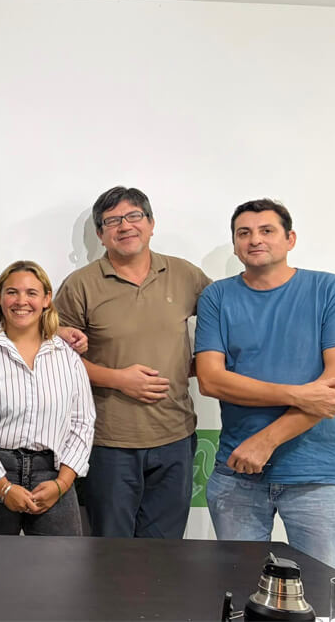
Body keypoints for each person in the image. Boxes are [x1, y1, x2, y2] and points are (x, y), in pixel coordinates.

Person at [194, 199, 335, 569]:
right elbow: (211, 381)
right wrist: (297, 394)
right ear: (234, 245)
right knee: (241, 592)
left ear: (290, 239)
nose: (254, 239)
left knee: (323, 596)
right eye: (243, 233)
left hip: (317, 476)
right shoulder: (217, 296)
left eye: (266, 230)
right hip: (237, 474)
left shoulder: (331, 291)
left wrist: (266, 440)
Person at [54, 186, 211, 538]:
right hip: (108, 441)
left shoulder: (186, 275)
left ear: (151, 223)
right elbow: (56, 362)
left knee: (164, 553)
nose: (124, 226)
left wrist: (200, 365)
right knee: (110, 553)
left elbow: (228, 325)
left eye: (133, 216)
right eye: (112, 221)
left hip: (175, 436)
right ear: (100, 234)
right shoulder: (80, 285)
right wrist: (118, 379)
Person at [0, 261, 95, 535]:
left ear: (46, 299)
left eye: (31, 293)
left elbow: (83, 422)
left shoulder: (66, 355)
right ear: (0, 297)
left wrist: (61, 484)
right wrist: (2, 486)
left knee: (60, 569)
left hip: (53, 472)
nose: (21, 301)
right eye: (12, 292)